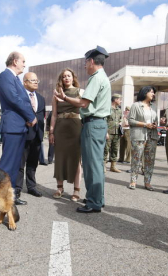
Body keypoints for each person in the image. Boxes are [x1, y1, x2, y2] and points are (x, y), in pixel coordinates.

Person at [55, 46, 111, 213]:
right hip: (98, 124)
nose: (85, 66)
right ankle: (97, 198)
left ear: (91, 61)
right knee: (96, 164)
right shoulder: (103, 77)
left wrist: (64, 98)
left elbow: (83, 103)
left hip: (93, 124)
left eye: (86, 63)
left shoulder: (96, 77)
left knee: (91, 165)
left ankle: (94, 202)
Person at [0, 51, 37, 205]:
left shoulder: (14, 78)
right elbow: (14, 99)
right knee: (7, 166)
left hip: (19, 127)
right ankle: (0, 198)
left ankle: (10, 197)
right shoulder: (5, 76)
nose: (24, 65)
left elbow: (22, 99)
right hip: (12, 127)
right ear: (14, 61)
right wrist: (30, 116)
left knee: (14, 167)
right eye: (23, 61)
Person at [49, 68, 83, 202]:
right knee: (60, 158)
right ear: (61, 79)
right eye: (64, 76)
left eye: (69, 76)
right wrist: (51, 131)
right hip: (60, 127)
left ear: (73, 77)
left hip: (75, 126)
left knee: (76, 159)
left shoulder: (80, 91)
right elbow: (54, 115)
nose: (66, 78)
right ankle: (60, 187)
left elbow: (84, 107)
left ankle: (76, 190)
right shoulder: (56, 94)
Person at [16, 72, 45, 199]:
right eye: (32, 80)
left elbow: (42, 116)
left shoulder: (41, 98)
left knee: (33, 163)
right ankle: (17, 189)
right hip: (24, 134)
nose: (35, 82)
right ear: (25, 82)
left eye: (36, 80)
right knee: (20, 164)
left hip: (37, 135)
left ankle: (31, 186)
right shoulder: (19, 97)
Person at [127, 86, 159, 191]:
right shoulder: (136, 106)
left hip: (152, 136)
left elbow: (155, 121)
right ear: (145, 93)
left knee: (150, 160)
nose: (153, 94)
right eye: (151, 92)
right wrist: (145, 124)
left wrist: (154, 125)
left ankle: (147, 182)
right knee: (136, 158)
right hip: (139, 136)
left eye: (153, 92)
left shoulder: (153, 107)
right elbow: (130, 121)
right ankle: (133, 180)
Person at [104, 94, 123, 173]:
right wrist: (105, 132)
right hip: (108, 133)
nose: (121, 101)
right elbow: (104, 121)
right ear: (115, 100)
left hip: (116, 133)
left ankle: (113, 166)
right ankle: (103, 166)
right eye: (120, 99)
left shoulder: (119, 110)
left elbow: (120, 120)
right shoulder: (107, 109)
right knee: (105, 149)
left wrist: (121, 130)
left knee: (115, 149)